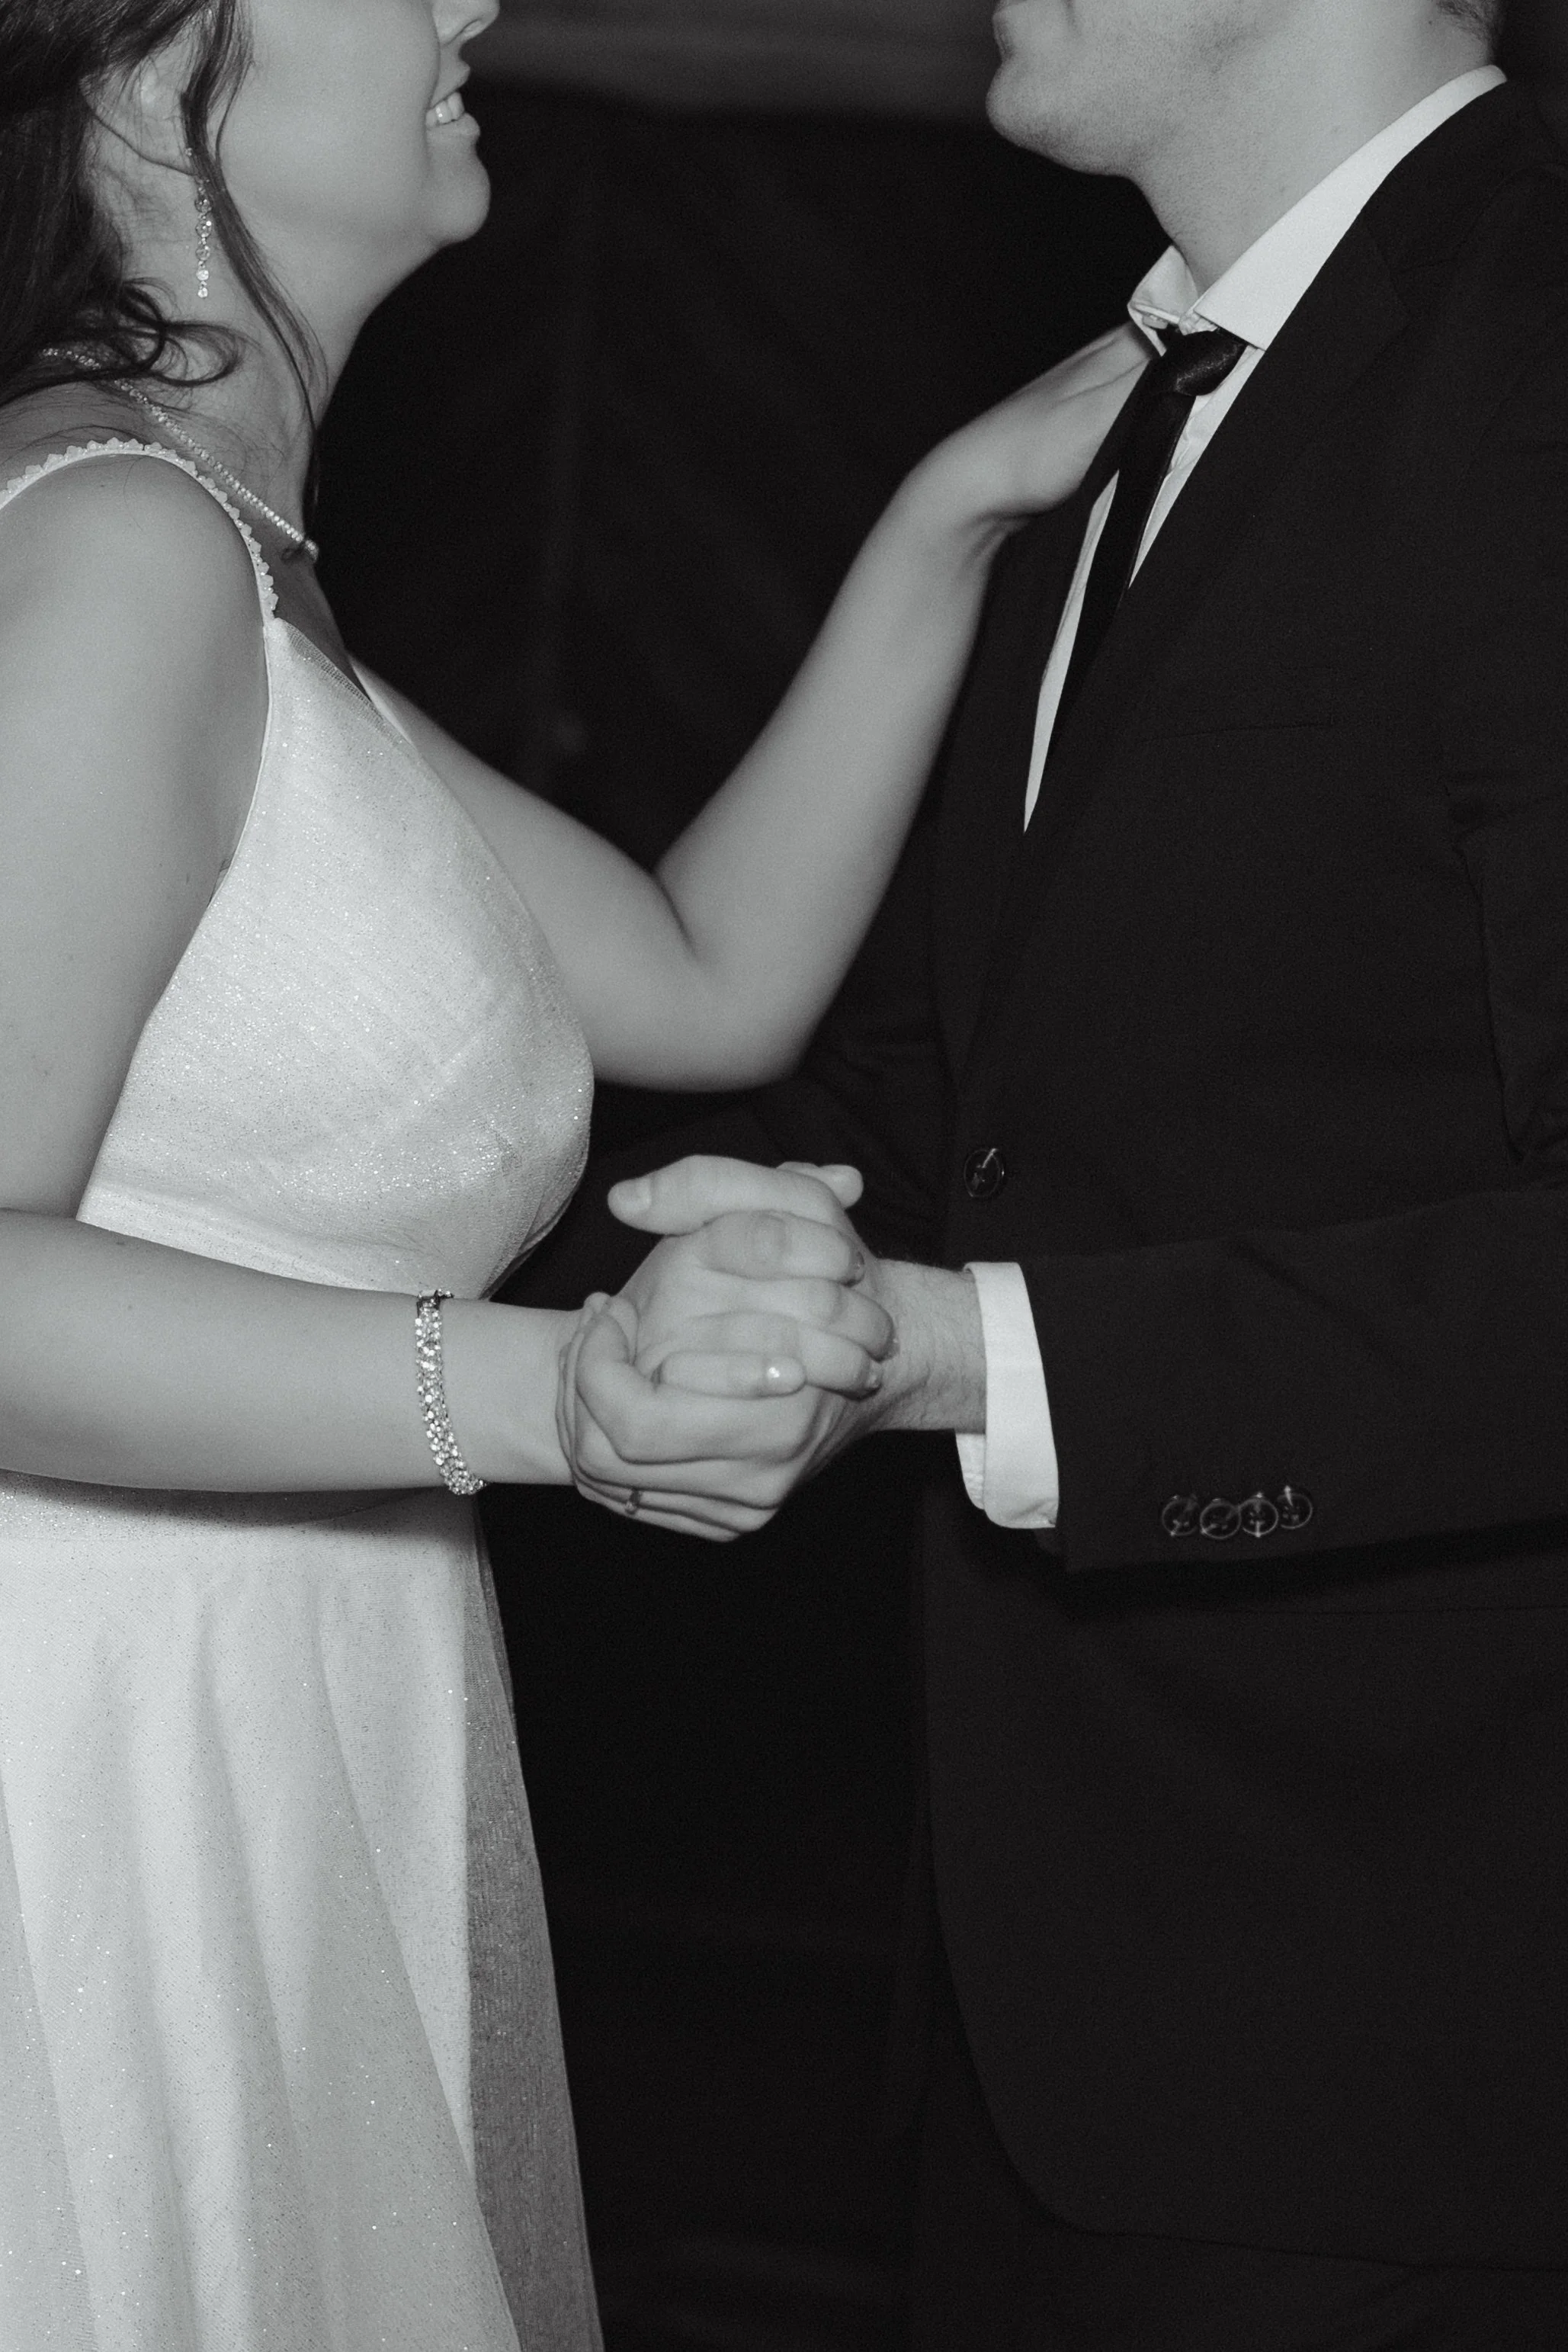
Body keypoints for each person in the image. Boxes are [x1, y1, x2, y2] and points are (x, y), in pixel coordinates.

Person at [0, 0, 1141, 2342]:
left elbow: (706, 976)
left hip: (286, 1721)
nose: (473, 6)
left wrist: (957, 512)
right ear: (145, 73)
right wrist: (560, 1393)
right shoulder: (108, 549)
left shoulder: (218, 563)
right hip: (88, 1748)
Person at [551, 0, 1568, 2340]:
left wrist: (945, 1354)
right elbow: (1015, 1098)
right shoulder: (1132, 401)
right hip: (1063, 2016)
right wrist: (785, 1246)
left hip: (1425, 2061)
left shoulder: (1530, 353)